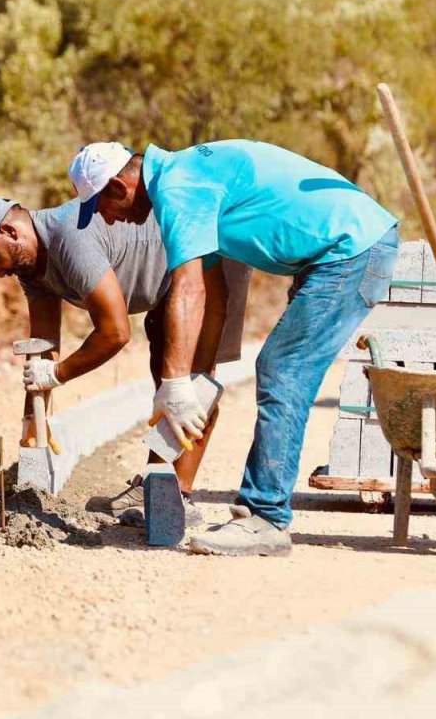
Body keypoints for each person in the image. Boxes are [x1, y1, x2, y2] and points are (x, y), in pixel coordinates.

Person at [68, 140, 399, 556]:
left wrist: (172, 384)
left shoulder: (177, 190)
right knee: (281, 369)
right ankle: (259, 513)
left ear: (118, 186)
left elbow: (186, 290)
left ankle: (267, 519)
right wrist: (197, 380)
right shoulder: (184, 177)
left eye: (101, 208)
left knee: (283, 370)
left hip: (351, 250)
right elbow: (212, 292)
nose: (110, 221)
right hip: (341, 250)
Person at [0, 196, 250, 525]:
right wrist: (31, 418)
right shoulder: (31, 269)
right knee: (163, 374)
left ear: (9, 230)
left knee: (192, 386)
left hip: (206, 262)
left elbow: (115, 333)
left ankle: (179, 497)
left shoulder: (70, 238)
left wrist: (57, 374)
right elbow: (43, 344)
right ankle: (156, 484)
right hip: (164, 286)